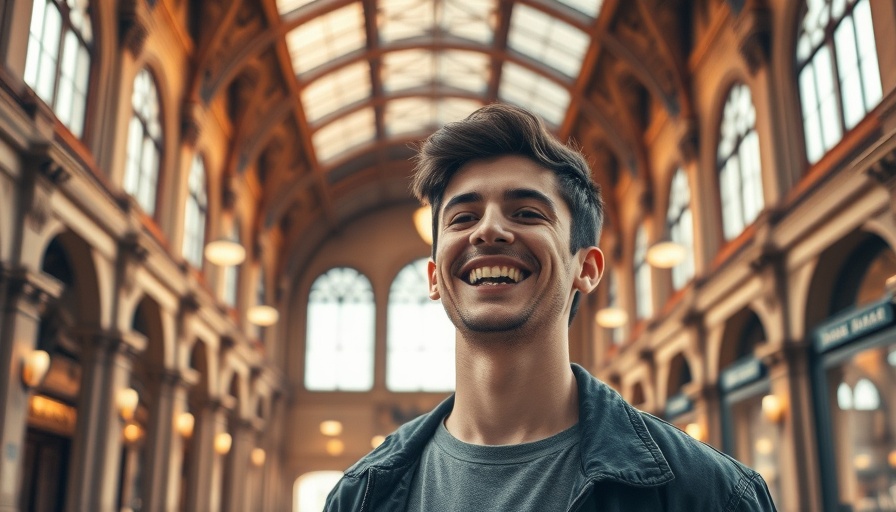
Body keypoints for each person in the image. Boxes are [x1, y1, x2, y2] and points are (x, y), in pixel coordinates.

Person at [324, 103, 777, 511]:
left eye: (526, 213)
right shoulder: (361, 496)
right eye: (463, 217)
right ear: (434, 279)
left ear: (588, 268)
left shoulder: (709, 495)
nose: (489, 230)